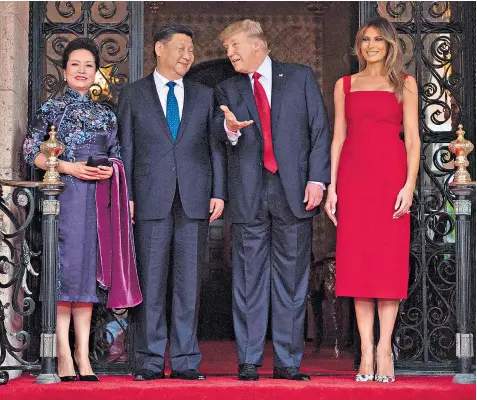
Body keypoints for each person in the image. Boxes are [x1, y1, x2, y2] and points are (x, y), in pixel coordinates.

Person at [215, 19, 331, 381]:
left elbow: (319, 130)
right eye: (226, 49)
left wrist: (317, 179)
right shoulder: (227, 88)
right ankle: (248, 359)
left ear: (257, 45)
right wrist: (229, 131)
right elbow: (220, 139)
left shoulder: (299, 77)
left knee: (292, 279)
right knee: (248, 279)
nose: (229, 53)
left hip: (294, 192)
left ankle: (288, 361)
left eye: (233, 45)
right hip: (249, 191)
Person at [23, 37, 142, 382]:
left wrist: (111, 169)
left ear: (96, 73)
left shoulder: (107, 114)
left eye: (88, 65)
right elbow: (32, 152)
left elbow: (118, 154)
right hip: (63, 199)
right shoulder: (50, 110)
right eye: (75, 64)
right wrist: (69, 167)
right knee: (66, 275)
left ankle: (82, 354)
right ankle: (63, 354)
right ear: (64, 70)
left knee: (88, 277)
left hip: (98, 202)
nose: (81, 71)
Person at [117, 24, 226, 381]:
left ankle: (185, 361)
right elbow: (127, 150)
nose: (187, 56)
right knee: (150, 283)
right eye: (181, 48)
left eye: (192, 51)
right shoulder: (133, 95)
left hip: (194, 199)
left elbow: (215, 147)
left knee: (188, 284)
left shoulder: (203, 95)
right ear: (159, 49)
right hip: (149, 199)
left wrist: (219, 191)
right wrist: (127, 196)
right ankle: (148, 361)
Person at [324, 16, 420, 383]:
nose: (371, 45)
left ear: (390, 44)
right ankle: (366, 349)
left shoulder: (405, 85)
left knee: (387, 265)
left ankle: (385, 347)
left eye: (378, 39)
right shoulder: (344, 85)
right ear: (358, 47)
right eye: (365, 40)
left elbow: (412, 139)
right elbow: (338, 139)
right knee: (360, 266)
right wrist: (333, 188)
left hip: (391, 180)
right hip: (354, 180)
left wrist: (409, 185)